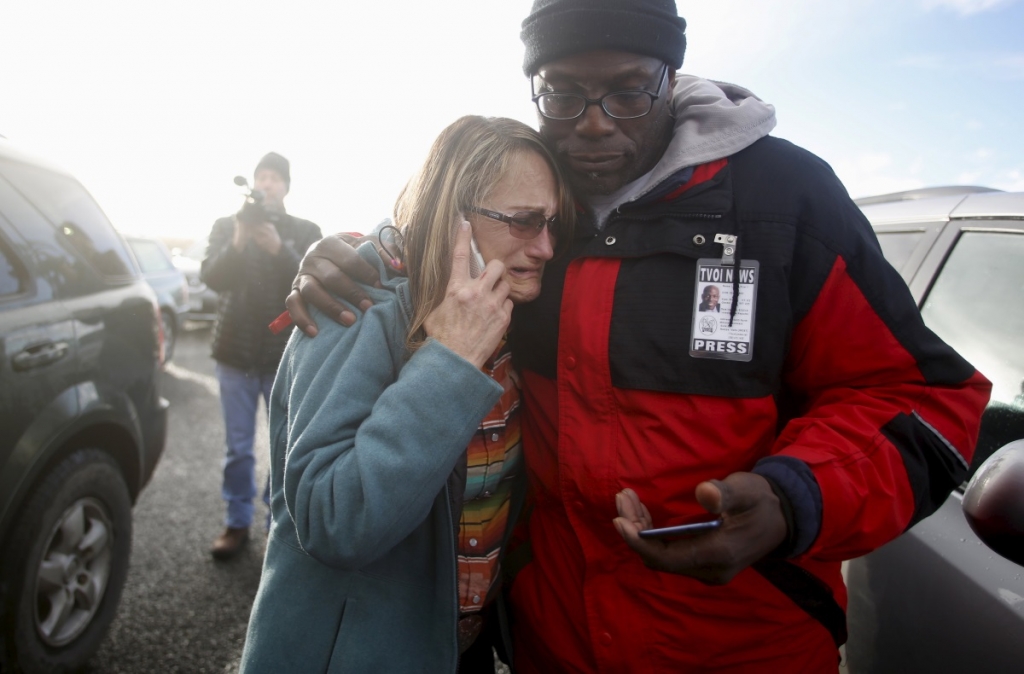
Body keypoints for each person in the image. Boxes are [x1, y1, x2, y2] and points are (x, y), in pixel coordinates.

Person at [284, 1, 992, 670]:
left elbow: (921, 398)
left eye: (628, 91)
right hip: (551, 644)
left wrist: (790, 500)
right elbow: (442, 219)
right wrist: (356, 252)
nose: (592, 124)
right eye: (561, 93)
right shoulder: (535, 201)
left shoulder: (785, 200)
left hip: (746, 648)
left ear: (671, 77)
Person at [239, 116, 573, 673]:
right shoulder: (356, 308)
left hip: (455, 647)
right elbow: (331, 519)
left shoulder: (509, 313)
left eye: (555, 225)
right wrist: (447, 361)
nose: (545, 246)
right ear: (454, 213)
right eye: (523, 221)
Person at [200, 152, 322, 559]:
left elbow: (312, 283)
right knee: (237, 447)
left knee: (283, 448)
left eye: (274, 177)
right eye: (261, 176)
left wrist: (279, 249)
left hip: (282, 357)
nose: (267, 183)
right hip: (233, 355)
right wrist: (238, 238)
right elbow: (213, 279)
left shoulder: (305, 230)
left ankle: (276, 529)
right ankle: (236, 523)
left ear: (286, 186)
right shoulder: (226, 227)